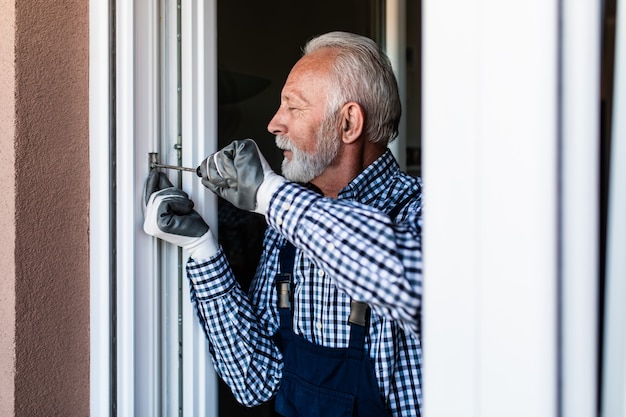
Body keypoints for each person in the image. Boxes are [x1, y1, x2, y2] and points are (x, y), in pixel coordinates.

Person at [143, 31, 422, 417]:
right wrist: (201, 248)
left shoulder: (425, 211)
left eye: (294, 107)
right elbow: (254, 379)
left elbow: (411, 282)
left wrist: (269, 194)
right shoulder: (286, 225)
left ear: (348, 123)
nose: (274, 123)